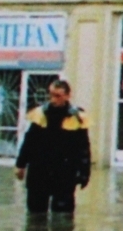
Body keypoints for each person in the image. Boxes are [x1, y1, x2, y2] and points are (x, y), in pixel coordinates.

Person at [15, 80, 91, 215]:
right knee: (35, 215)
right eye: (51, 95)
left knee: (63, 216)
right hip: (39, 172)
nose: (53, 99)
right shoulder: (41, 114)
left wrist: (84, 173)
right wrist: (21, 165)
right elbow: (29, 142)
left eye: (58, 96)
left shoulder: (77, 118)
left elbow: (83, 148)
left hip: (64, 174)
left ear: (67, 96)